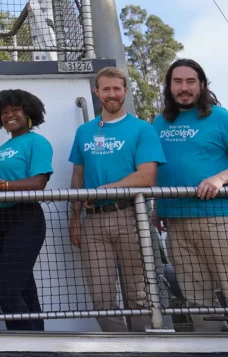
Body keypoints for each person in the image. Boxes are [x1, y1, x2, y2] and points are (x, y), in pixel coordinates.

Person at [153, 58, 228, 332]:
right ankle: (211, 344)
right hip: (176, 221)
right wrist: (156, 208)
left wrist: (220, 178)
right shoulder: (159, 122)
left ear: (202, 85)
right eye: (177, 82)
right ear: (169, 87)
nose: (184, 87)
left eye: (190, 81)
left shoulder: (221, 117)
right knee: (195, 295)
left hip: (219, 217)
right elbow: (158, 168)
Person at [68, 67, 165, 332]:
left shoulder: (142, 129)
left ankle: (145, 345)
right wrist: (74, 218)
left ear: (125, 91)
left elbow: (147, 176)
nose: (112, 94)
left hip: (132, 216)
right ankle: (119, 345)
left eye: (117, 88)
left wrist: (105, 189)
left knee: (139, 294)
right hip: (93, 222)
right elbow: (78, 175)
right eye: (106, 89)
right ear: (96, 92)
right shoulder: (84, 132)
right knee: (101, 296)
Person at [0, 89, 53, 331]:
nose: (9, 115)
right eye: (4, 112)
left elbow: (39, 183)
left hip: (24, 218)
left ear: (29, 113)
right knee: (24, 289)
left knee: (6, 291)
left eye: (15, 110)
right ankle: (41, 344)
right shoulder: (0, 149)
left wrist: (0, 185)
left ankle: (22, 344)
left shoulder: (37, 142)